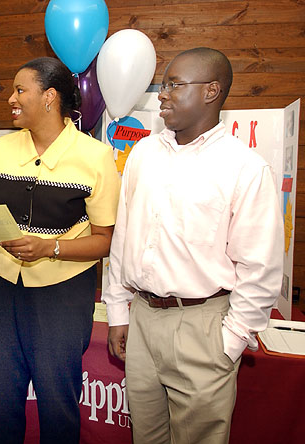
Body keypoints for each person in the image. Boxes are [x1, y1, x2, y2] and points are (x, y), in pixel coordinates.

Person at [103, 47, 283, 444]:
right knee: (145, 437)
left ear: (211, 91)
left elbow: (260, 267)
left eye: (173, 85)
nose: (162, 95)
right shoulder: (144, 154)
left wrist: (231, 340)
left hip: (204, 325)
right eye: (163, 85)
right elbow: (124, 239)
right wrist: (118, 309)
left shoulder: (245, 167)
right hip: (143, 319)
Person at [0, 57, 120, 443]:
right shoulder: (0, 149)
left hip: (62, 293)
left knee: (57, 403)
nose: (12, 99)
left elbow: (104, 241)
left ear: (49, 97)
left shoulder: (96, 157)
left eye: (21, 90)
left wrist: (50, 247)